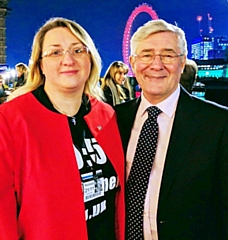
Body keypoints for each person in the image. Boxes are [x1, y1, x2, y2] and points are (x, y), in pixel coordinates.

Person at [0, 17, 125, 240]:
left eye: (78, 50)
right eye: (55, 52)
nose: (68, 59)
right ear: (40, 64)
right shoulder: (10, 120)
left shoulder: (107, 116)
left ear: (91, 60)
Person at [114, 19, 228, 239]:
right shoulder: (115, 119)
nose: (156, 65)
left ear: (182, 62)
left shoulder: (218, 123)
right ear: (132, 63)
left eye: (168, 55)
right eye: (146, 55)